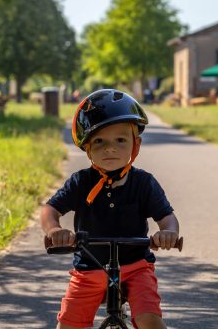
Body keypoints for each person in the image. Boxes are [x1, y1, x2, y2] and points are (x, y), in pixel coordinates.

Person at [41, 89, 179, 329]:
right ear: (87, 148)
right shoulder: (81, 182)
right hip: (89, 268)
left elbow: (167, 218)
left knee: (149, 320)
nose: (110, 148)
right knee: (68, 324)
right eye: (99, 141)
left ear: (136, 144)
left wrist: (167, 233)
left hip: (136, 267)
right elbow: (49, 210)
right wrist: (54, 230)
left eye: (120, 140)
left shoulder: (143, 183)